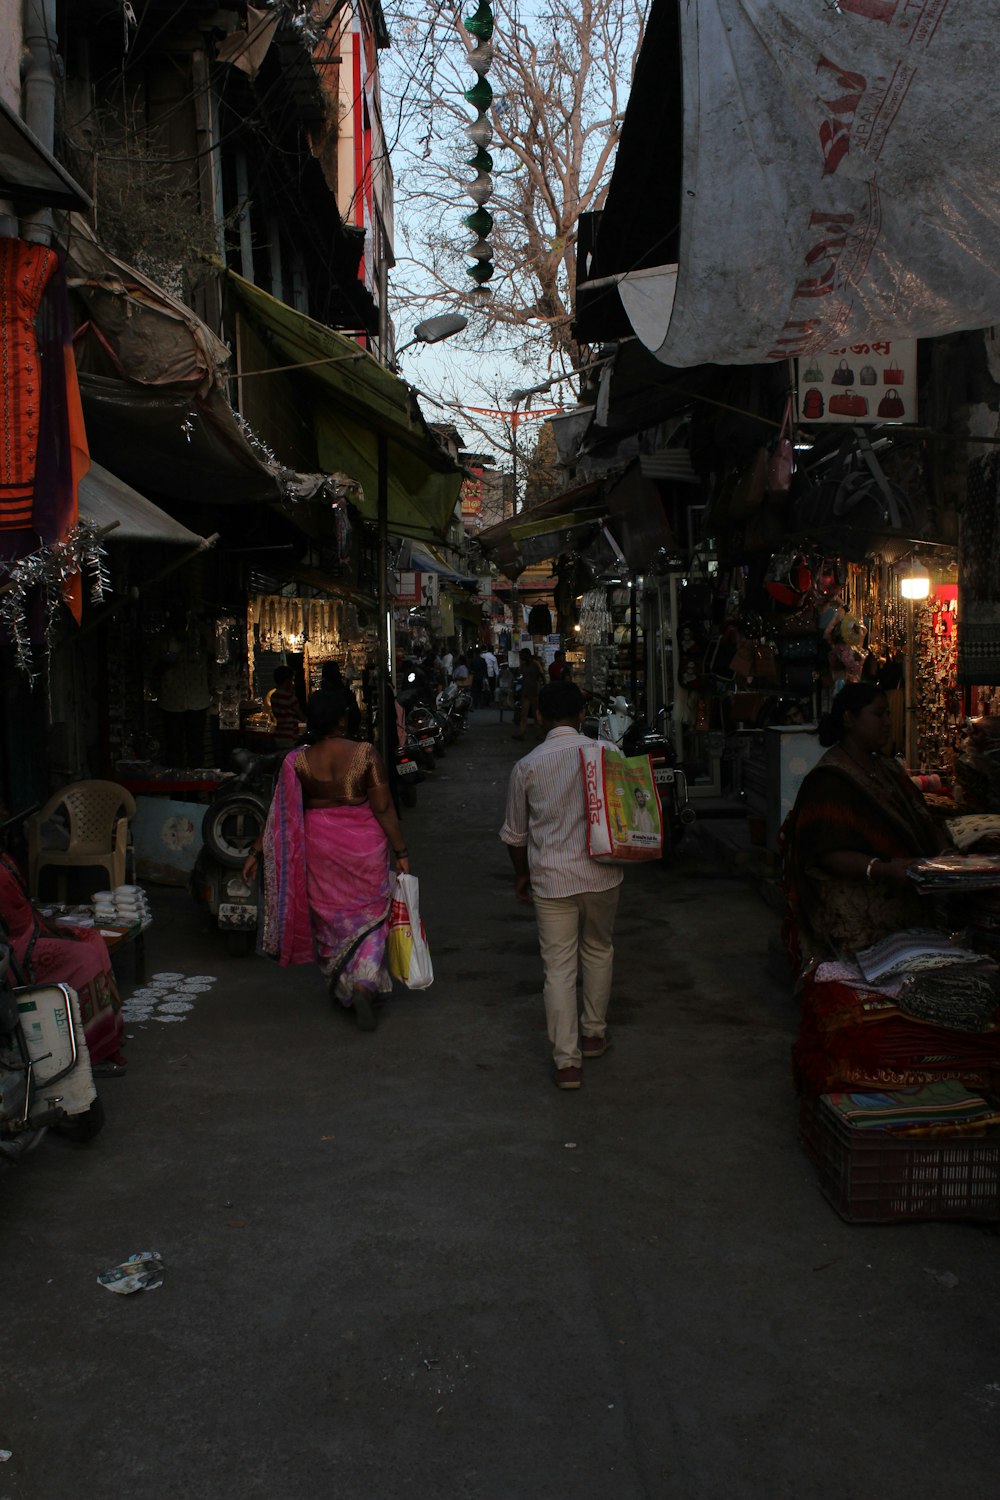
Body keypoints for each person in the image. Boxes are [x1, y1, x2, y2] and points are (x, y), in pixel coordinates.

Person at [244, 689, 410, 1031]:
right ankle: (364, 982)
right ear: (341, 719)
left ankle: (348, 984)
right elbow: (382, 807)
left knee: (332, 919)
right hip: (363, 845)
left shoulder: (296, 761)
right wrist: (401, 851)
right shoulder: (364, 753)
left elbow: (278, 813)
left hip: (318, 845)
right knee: (371, 914)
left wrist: (255, 850)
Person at [500, 679, 623, 1089]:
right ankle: (593, 1033)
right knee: (599, 949)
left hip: (551, 878)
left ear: (539, 717)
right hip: (602, 873)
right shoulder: (606, 753)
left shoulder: (528, 766)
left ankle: (567, 1063)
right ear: (582, 715)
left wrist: (523, 874)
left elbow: (515, 835)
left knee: (558, 968)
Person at [783, 680, 950, 968]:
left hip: (905, 895)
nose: (887, 722)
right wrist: (882, 869)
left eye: (888, 714)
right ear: (849, 719)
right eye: (878, 714)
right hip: (856, 909)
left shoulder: (885, 768)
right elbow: (825, 851)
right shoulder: (830, 779)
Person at [0, 853, 127, 1070]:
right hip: (12, 949)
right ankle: (91, 1048)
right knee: (84, 958)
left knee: (93, 939)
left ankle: (109, 1036)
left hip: (29, 931)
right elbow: (12, 924)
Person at [513, 648, 546, 741]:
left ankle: (538, 734)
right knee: (524, 714)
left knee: (536, 714)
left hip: (534, 691)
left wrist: (543, 686)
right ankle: (522, 733)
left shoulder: (535, 664)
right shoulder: (523, 665)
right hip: (526, 691)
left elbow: (542, 676)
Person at [268, 666, 303, 750]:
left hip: (279, 735)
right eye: (292, 680)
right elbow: (301, 716)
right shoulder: (290, 697)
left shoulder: (273, 696)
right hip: (290, 736)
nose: (293, 683)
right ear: (287, 681)